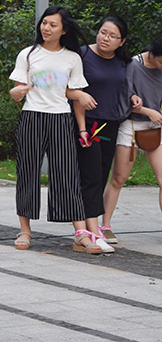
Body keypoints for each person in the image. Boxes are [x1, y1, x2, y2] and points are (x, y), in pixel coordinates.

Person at [9, 5, 101, 254]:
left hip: (61, 119)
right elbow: (17, 91)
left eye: (53, 24)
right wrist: (17, 91)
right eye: (44, 23)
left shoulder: (72, 58)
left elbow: (70, 92)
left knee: (67, 175)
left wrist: (82, 120)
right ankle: (25, 230)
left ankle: (80, 234)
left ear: (64, 30)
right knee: (27, 173)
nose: (46, 28)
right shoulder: (28, 54)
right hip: (32, 117)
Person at [73, 17, 139, 253]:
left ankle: (89, 227)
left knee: (101, 175)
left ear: (121, 42)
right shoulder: (82, 55)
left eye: (112, 36)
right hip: (86, 123)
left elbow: (123, 87)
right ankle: (89, 231)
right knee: (90, 176)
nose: (105, 38)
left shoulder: (123, 62)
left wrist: (133, 97)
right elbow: (72, 89)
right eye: (103, 32)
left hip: (111, 123)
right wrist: (82, 127)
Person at [102, 35, 162, 241]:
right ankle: (105, 226)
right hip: (132, 125)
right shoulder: (133, 65)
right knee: (118, 179)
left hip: (155, 126)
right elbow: (123, 100)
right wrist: (147, 111)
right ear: (152, 53)